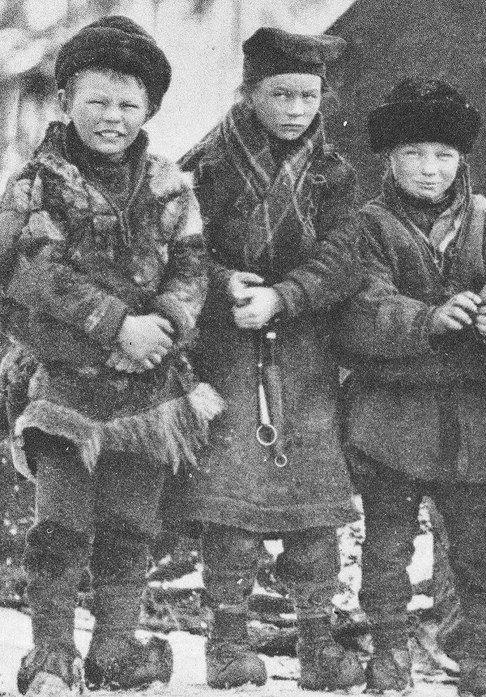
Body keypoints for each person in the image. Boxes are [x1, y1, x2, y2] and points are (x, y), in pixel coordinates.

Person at [0, 16, 220, 696]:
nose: (112, 117)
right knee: (61, 525)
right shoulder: (37, 183)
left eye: (129, 104)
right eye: (97, 100)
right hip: (64, 384)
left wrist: (163, 323)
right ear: (66, 99)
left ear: (150, 109)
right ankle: (55, 655)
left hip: (149, 392)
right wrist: (116, 323)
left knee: (131, 525)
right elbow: (36, 271)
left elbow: (192, 267)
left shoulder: (168, 184)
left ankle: (117, 648)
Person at [173, 27, 364, 691]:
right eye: (279, 93)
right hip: (226, 354)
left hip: (306, 358)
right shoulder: (208, 166)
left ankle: (319, 646)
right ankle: (226, 645)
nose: (294, 108)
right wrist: (226, 286)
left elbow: (345, 259)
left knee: (313, 508)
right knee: (231, 504)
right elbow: (180, 247)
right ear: (250, 92)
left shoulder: (333, 175)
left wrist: (286, 295)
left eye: (307, 95)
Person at [334, 77, 486, 696]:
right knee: (388, 546)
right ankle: (389, 653)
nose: (430, 169)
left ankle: (482, 659)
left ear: (461, 160)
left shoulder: (485, 218)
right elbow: (361, 306)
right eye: (415, 153)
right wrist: (426, 318)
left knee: (479, 548)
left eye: (444, 155)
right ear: (389, 158)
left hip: (472, 416)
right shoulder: (368, 224)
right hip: (391, 413)